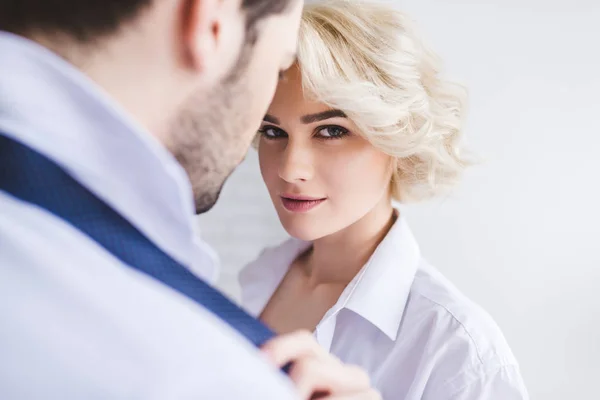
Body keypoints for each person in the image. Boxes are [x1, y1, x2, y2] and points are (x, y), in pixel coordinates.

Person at [0, 0, 380, 399]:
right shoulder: (216, 376)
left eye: (332, 132)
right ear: (211, 20)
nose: (290, 169)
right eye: (278, 66)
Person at [239, 0, 530, 399]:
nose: (290, 169)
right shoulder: (258, 277)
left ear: (397, 136)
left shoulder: (459, 352)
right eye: (273, 133)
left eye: (330, 131)